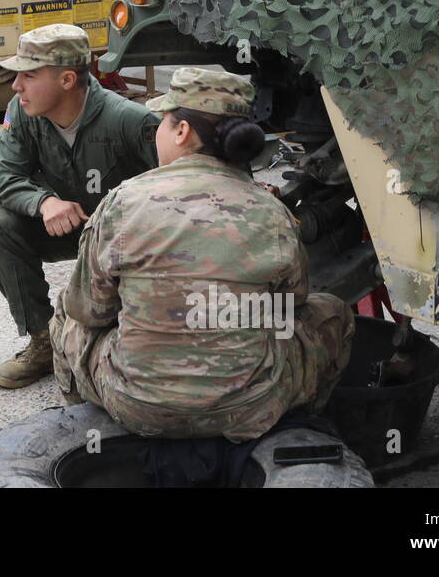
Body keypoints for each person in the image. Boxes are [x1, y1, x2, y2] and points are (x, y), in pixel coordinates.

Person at [50, 67, 354, 441]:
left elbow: (90, 309)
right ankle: (302, 433)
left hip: (135, 405)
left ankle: (83, 434)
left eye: (163, 121)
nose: (158, 132)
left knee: (66, 310)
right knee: (333, 312)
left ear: (182, 130)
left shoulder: (122, 201)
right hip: (250, 407)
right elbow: (292, 302)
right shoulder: (271, 210)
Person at [0, 23, 160, 388]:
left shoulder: (129, 120)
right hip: (70, 228)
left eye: (28, 76)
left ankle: (138, 339)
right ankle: (44, 343)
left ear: (66, 80)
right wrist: (44, 201)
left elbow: (183, 182)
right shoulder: (21, 113)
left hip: (128, 239)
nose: (16, 86)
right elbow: (5, 179)